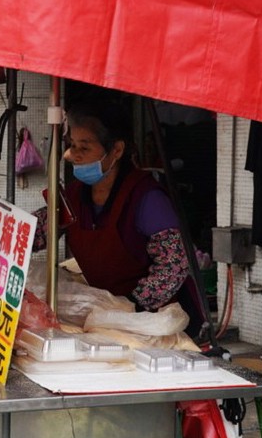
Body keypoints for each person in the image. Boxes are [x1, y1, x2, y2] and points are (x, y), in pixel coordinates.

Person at [59, 101, 195, 321]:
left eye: (84, 147)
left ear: (117, 150)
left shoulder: (146, 198)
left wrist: (131, 305)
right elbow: (41, 229)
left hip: (158, 319)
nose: (74, 155)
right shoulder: (75, 195)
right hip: (109, 314)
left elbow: (174, 265)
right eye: (72, 145)